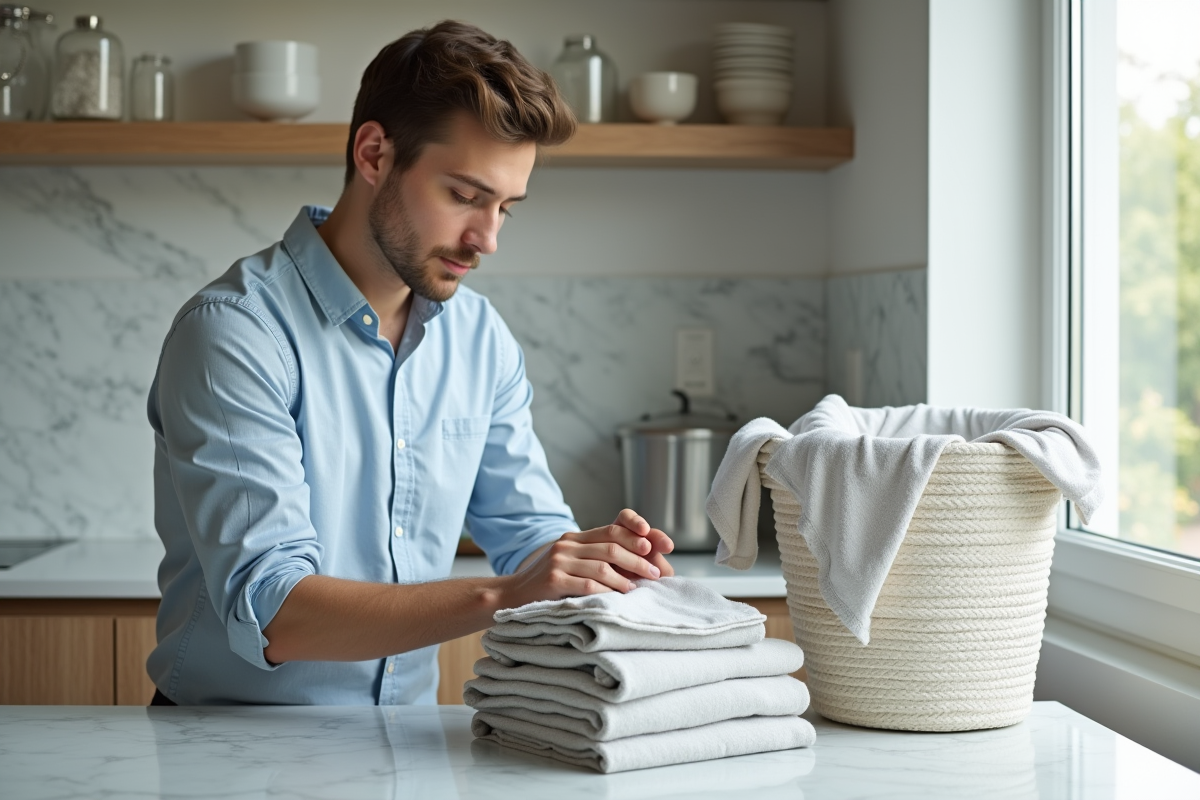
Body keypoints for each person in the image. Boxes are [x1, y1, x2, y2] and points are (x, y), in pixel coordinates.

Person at [145, 20, 674, 706]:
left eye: (506, 208)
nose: (486, 238)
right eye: (464, 195)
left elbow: (528, 538)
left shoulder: (480, 338)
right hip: (230, 751)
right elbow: (271, 610)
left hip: (405, 747)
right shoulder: (234, 334)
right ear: (374, 154)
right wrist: (505, 592)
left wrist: (596, 565)